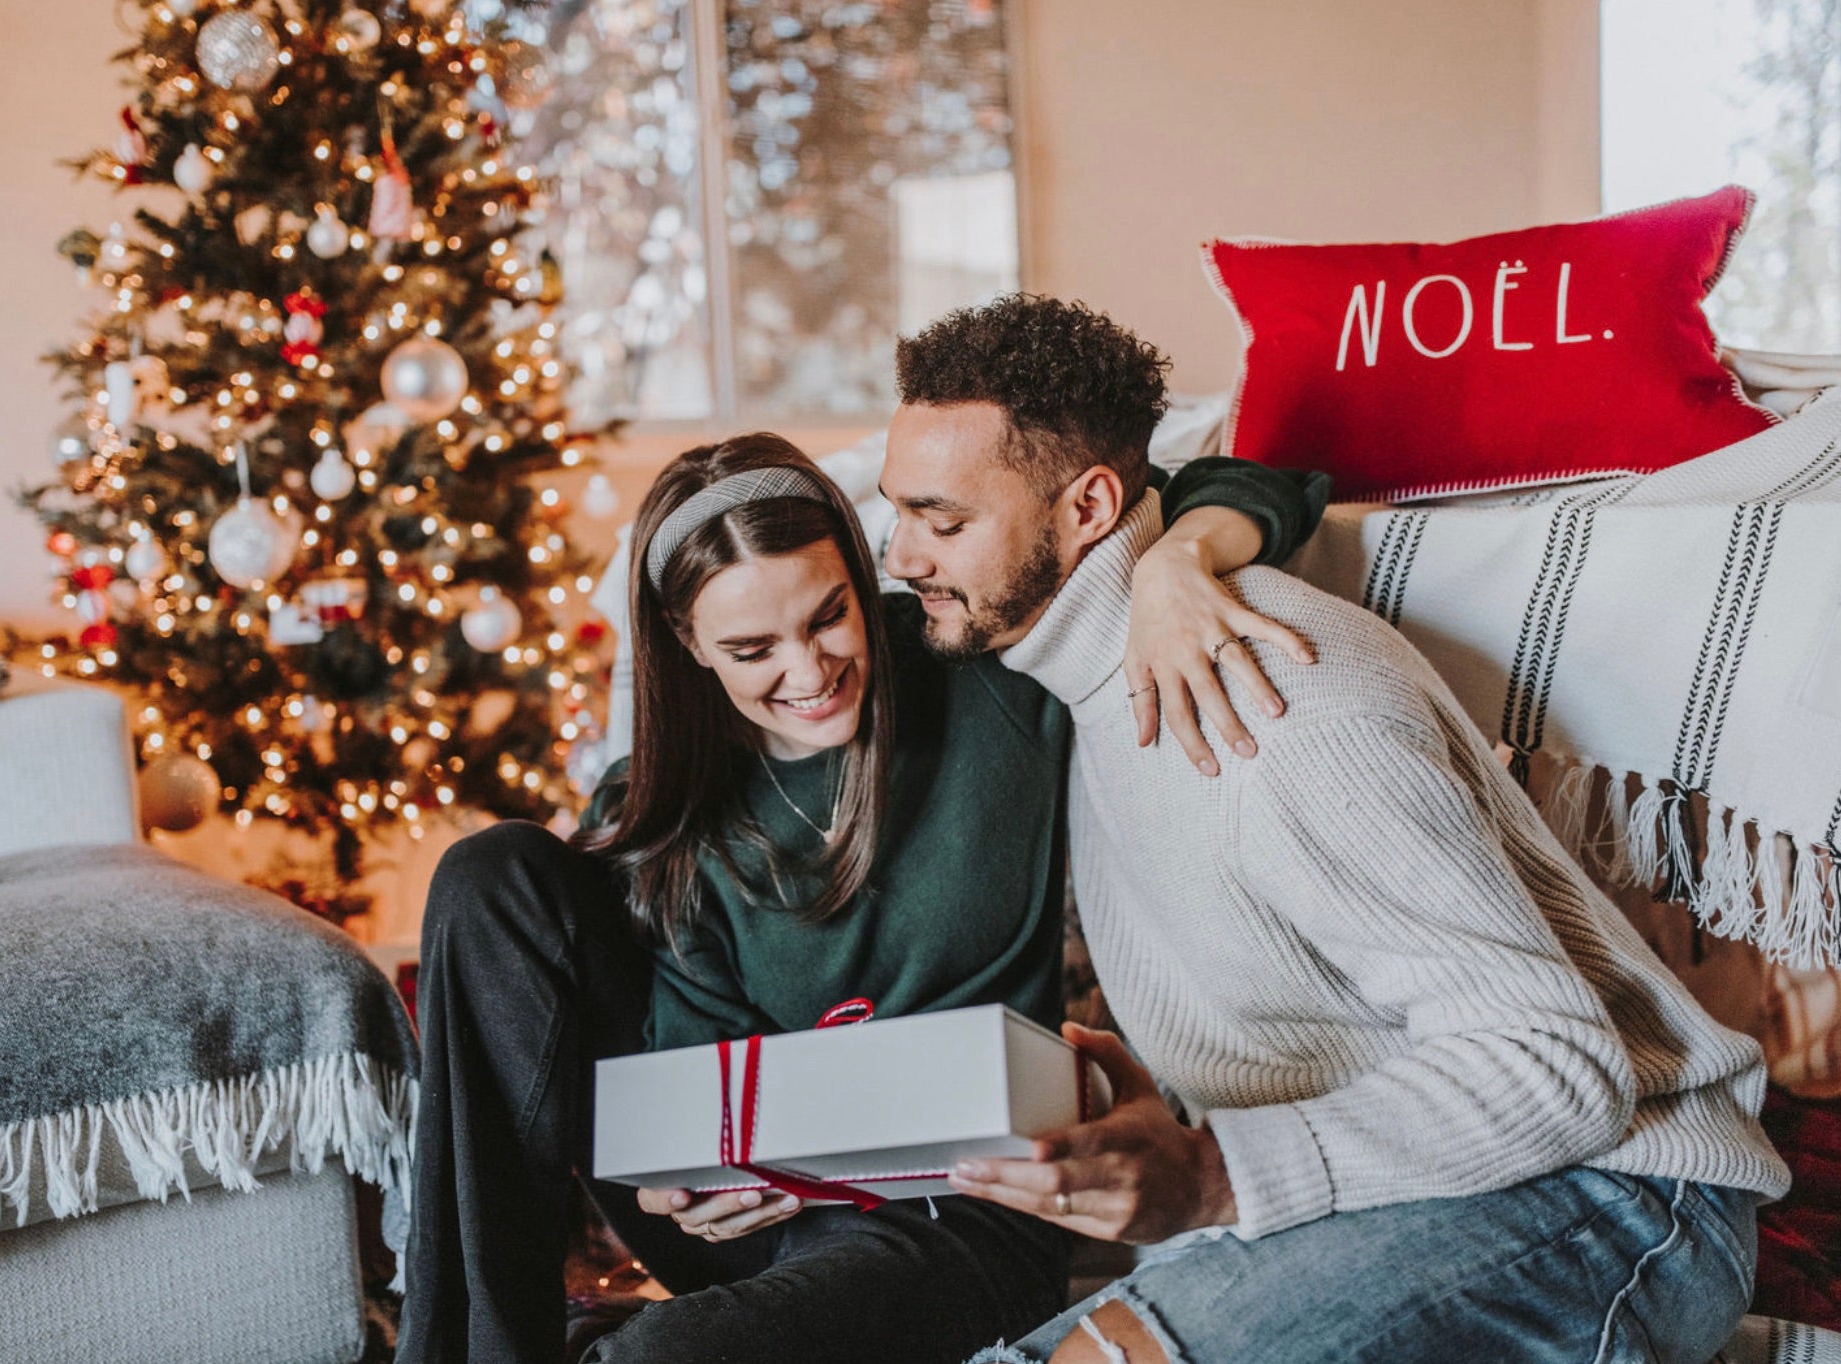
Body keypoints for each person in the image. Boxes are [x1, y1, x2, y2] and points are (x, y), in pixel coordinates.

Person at [862, 293, 1791, 1364]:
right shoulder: (1085, 686)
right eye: (899, 512)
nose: (902, 555)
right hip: (1404, 1195)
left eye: (942, 520)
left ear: (1088, 506)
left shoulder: (1279, 696)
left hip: (1620, 1195)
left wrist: (1215, 1170)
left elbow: (1558, 1066)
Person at [396, 428, 1323, 1364]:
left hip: (959, 1214)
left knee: (660, 1361)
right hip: (755, 1209)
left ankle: (619, 1340)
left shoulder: (983, 664)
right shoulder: (665, 802)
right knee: (492, 872)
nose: (809, 672)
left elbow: (1257, 481)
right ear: (689, 644)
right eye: (752, 648)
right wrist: (683, 1181)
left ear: (859, 565)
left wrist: (1176, 567)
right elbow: (685, 1066)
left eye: (828, 615)